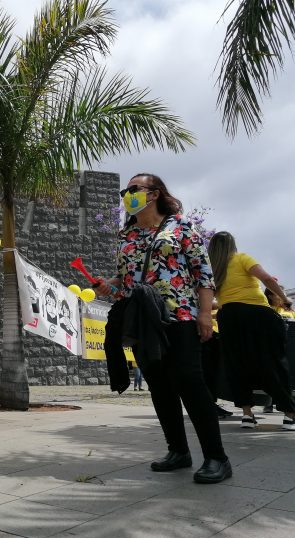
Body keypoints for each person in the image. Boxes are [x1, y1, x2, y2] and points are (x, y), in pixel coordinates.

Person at [96, 173, 231, 484]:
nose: (127, 195)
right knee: (159, 385)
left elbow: (202, 272)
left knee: (189, 381)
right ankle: (178, 451)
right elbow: (125, 277)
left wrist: (205, 315)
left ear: (154, 193)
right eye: (125, 191)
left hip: (180, 314)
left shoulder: (180, 226)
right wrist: (109, 285)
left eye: (133, 189)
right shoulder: (125, 235)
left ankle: (217, 457)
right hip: (142, 320)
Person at [207, 232, 295, 431]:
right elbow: (267, 278)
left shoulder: (213, 269)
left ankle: (247, 415)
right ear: (232, 244)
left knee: (238, 365)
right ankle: (290, 415)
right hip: (256, 313)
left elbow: (209, 298)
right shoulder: (241, 258)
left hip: (229, 317)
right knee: (273, 362)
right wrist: (284, 298)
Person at [262, 286, 295, 414]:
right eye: (279, 294)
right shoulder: (268, 310)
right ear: (270, 296)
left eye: (283, 294)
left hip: (293, 347)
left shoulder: (291, 311)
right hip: (276, 346)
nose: (282, 296)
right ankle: (268, 403)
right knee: (275, 374)